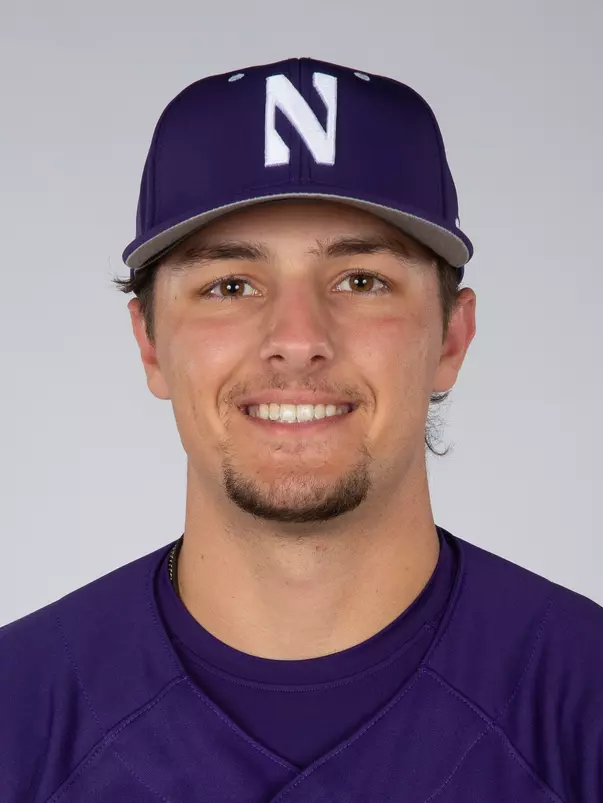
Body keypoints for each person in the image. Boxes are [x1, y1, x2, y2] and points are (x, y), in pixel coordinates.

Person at [1, 57, 601, 803]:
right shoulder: (18, 714)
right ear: (149, 343)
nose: (296, 337)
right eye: (230, 284)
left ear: (451, 337)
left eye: (361, 280)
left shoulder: (585, 703)